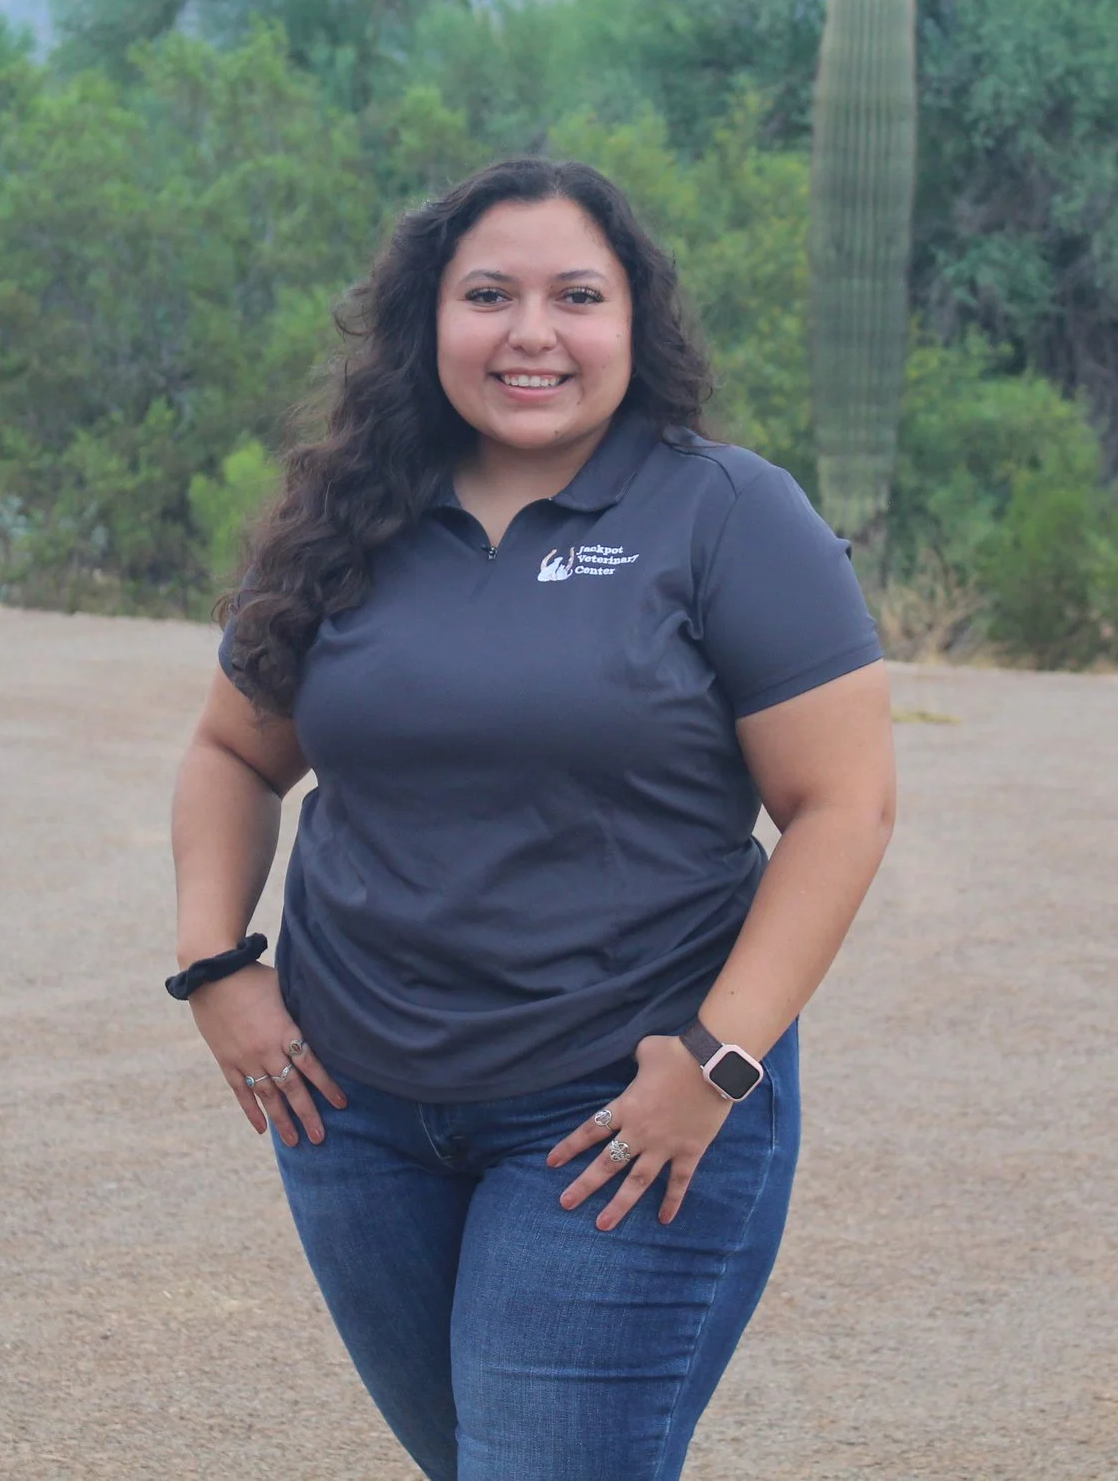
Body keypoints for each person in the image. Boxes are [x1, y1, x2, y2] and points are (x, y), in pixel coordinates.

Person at [166, 156, 897, 1481]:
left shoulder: (727, 515)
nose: (532, 333)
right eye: (488, 294)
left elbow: (841, 806)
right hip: (356, 1115)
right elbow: (232, 748)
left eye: (577, 295)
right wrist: (218, 965)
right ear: (425, 321)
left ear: (635, 321)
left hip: (618, 1109)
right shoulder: (343, 517)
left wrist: (716, 1062)